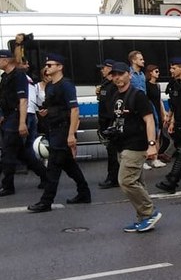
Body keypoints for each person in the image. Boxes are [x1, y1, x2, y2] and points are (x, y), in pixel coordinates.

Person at [27, 54, 91, 212]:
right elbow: (53, 106)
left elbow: (74, 110)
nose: (47, 67)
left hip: (62, 130)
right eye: (46, 65)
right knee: (69, 165)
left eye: (50, 65)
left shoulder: (66, 85)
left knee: (53, 167)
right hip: (52, 128)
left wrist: (71, 134)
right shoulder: (50, 86)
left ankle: (46, 201)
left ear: (60, 67)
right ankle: (84, 192)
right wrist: (45, 112)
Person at [103, 61, 162, 231]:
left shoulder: (137, 95)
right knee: (137, 182)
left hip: (136, 145)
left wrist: (152, 144)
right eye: (114, 75)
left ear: (129, 74)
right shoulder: (115, 96)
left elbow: (149, 119)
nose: (117, 78)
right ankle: (143, 218)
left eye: (120, 74)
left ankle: (150, 212)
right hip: (121, 145)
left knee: (126, 181)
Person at [0, 49, 48, 197]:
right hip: (8, 116)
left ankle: (8, 186)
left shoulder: (18, 75)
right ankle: (45, 176)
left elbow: (23, 100)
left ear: (6, 60)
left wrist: (22, 123)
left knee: (8, 152)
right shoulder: (4, 77)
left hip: (16, 116)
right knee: (22, 153)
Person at [155, 57, 181, 194]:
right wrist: (171, 120)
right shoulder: (174, 83)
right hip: (179, 121)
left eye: (174, 68)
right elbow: (173, 104)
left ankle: (172, 181)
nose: (171, 70)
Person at [96, 59, 121, 189]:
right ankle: (114, 177)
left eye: (104, 68)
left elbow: (113, 107)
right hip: (105, 122)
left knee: (113, 152)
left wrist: (111, 124)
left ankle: (113, 178)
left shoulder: (113, 85)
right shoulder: (105, 83)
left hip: (111, 122)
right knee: (111, 152)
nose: (102, 70)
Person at [143, 64, 167, 170]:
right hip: (150, 112)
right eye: (156, 71)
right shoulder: (146, 85)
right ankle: (144, 160)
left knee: (158, 135)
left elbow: (159, 100)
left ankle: (155, 159)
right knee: (147, 136)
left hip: (157, 110)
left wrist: (163, 113)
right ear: (150, 73)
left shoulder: (157, 85)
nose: (158, 73)